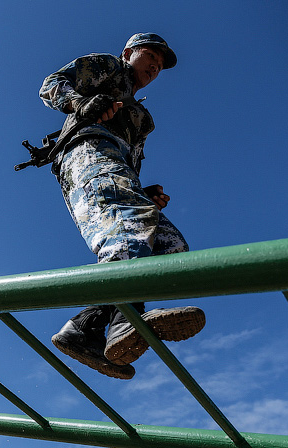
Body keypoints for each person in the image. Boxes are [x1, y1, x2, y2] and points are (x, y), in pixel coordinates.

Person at [39, 33, 205, 380]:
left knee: (168, 246)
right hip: (87, 151)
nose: (156, 66)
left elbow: (127, 166)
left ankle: (84, 330)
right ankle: (124, 322)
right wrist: (79, 104)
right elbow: (53, 84)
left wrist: (145, 191)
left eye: (161, 66)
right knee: (128, 229)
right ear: (129, 52)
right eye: (151, 57)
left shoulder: (142, 117)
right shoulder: (109, 68)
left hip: (116, 168)